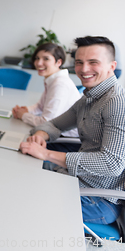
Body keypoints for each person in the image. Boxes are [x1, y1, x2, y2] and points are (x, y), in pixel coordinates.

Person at [19, 36, 125, 226]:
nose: (84, 69)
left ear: (111, 65)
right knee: (20, 173)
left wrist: (46, 153)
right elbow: (55, 124)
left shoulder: (116, 102)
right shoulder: (89, 97)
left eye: (93, 62)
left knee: (24, 199)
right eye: (79, 62)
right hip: (76, 179)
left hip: (98, 200)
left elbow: (112, 163)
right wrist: (40, 135)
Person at [12, 43, 81, 139]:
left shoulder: (60, 84)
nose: (39, 63)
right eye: (37, 58)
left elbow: (46, 123)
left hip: (64, 139)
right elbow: (40, 107)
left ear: (58, 62)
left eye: (46, 59)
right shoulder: (52, 79)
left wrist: (23, 115)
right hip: (56, 132)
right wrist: (26, 110)